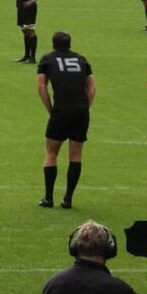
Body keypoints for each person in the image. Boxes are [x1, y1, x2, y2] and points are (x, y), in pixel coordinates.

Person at [37, 31, 95, 210]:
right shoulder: (82, 60)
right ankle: (68, 198)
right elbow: (92, 87)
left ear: (53, 44)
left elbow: (41, 87)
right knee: (76, 155)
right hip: (80, 111)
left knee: (51, 152)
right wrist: (85, 108)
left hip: (61, 110)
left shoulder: (47, 60)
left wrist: (51, 109)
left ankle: (48, 197)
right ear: (70, 44)